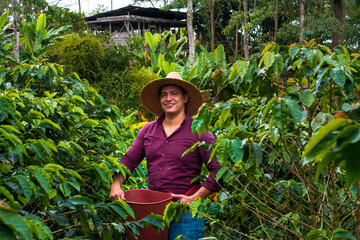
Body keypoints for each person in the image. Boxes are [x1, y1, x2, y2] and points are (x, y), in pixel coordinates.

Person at [109, 72, 222, 240]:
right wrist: (116, 184)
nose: (168, 98)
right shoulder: (148, 130)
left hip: (185, 214)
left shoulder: (199, 132)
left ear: (185, 98)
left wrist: (193, 198)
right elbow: (129, 160)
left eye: (174, 93)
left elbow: (219, 171)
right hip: (153, 212)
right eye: (164, 94)